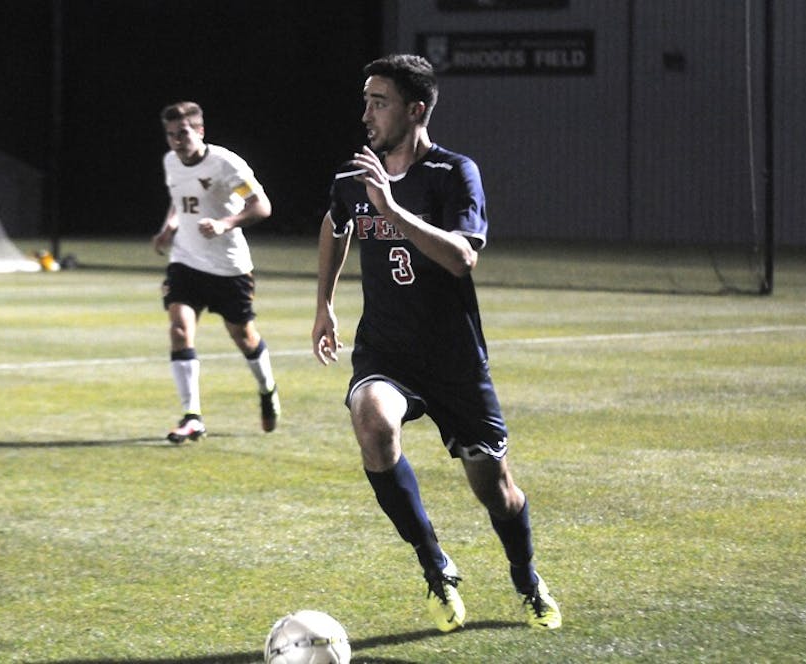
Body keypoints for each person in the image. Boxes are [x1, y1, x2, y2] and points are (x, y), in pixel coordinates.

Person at [311, 55, 561, 632]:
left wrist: (392, 209)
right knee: (372, 421)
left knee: (496, 492)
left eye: (380, 102)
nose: (366, 113)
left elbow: (461, 256)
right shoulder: (355, 177)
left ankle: (525, 576)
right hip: (386, 352)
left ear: (415, 109)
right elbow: (334, 223)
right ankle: (435, 565)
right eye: (366, 100)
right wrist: (323, 301)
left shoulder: (453, 173)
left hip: (453, 360)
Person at [153, 101, 280, 443]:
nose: (177, 141)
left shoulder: (225, 165)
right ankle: (192, 416)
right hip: (186, 261)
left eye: (183, 133)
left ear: (200, 131)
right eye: (170, 135)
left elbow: (261, 206)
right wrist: (170, 226)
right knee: (179, 330)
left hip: (228, 268)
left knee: (244, 337)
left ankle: (267, 389)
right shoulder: (170, 162)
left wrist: (226, 224)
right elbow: (180, 200)